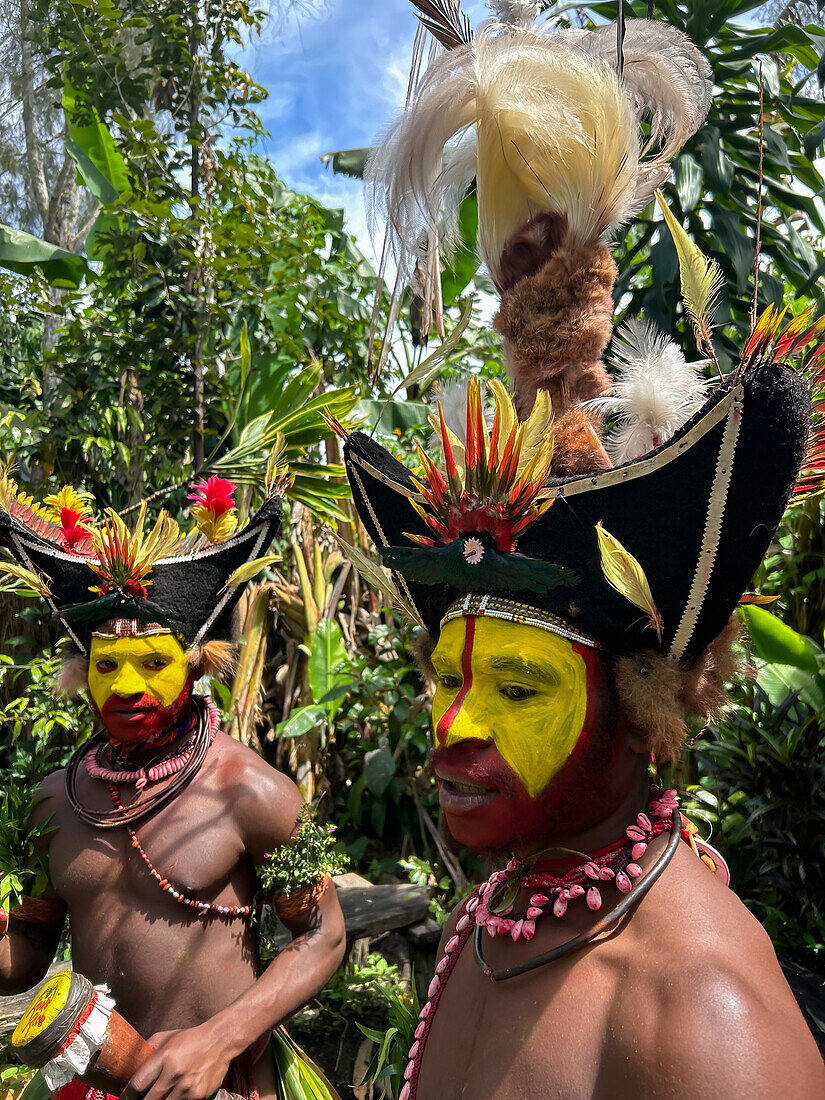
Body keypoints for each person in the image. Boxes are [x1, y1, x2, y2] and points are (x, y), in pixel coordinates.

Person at [336, 2, 825, 1096]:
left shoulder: (699, 1019)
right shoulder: (498, 911)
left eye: (516, 683)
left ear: (642, 698)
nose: (453, 726)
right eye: (445, 677)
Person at [0, 474, 346, 1100]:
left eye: (153, 663)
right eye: (108, 666)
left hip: (225, 1085)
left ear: (192, 664)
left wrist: (219, 1040)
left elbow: (323, 934)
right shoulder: (55, 802)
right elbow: (25, 950)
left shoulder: (249, 792)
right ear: (84, 674)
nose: (128, 686)